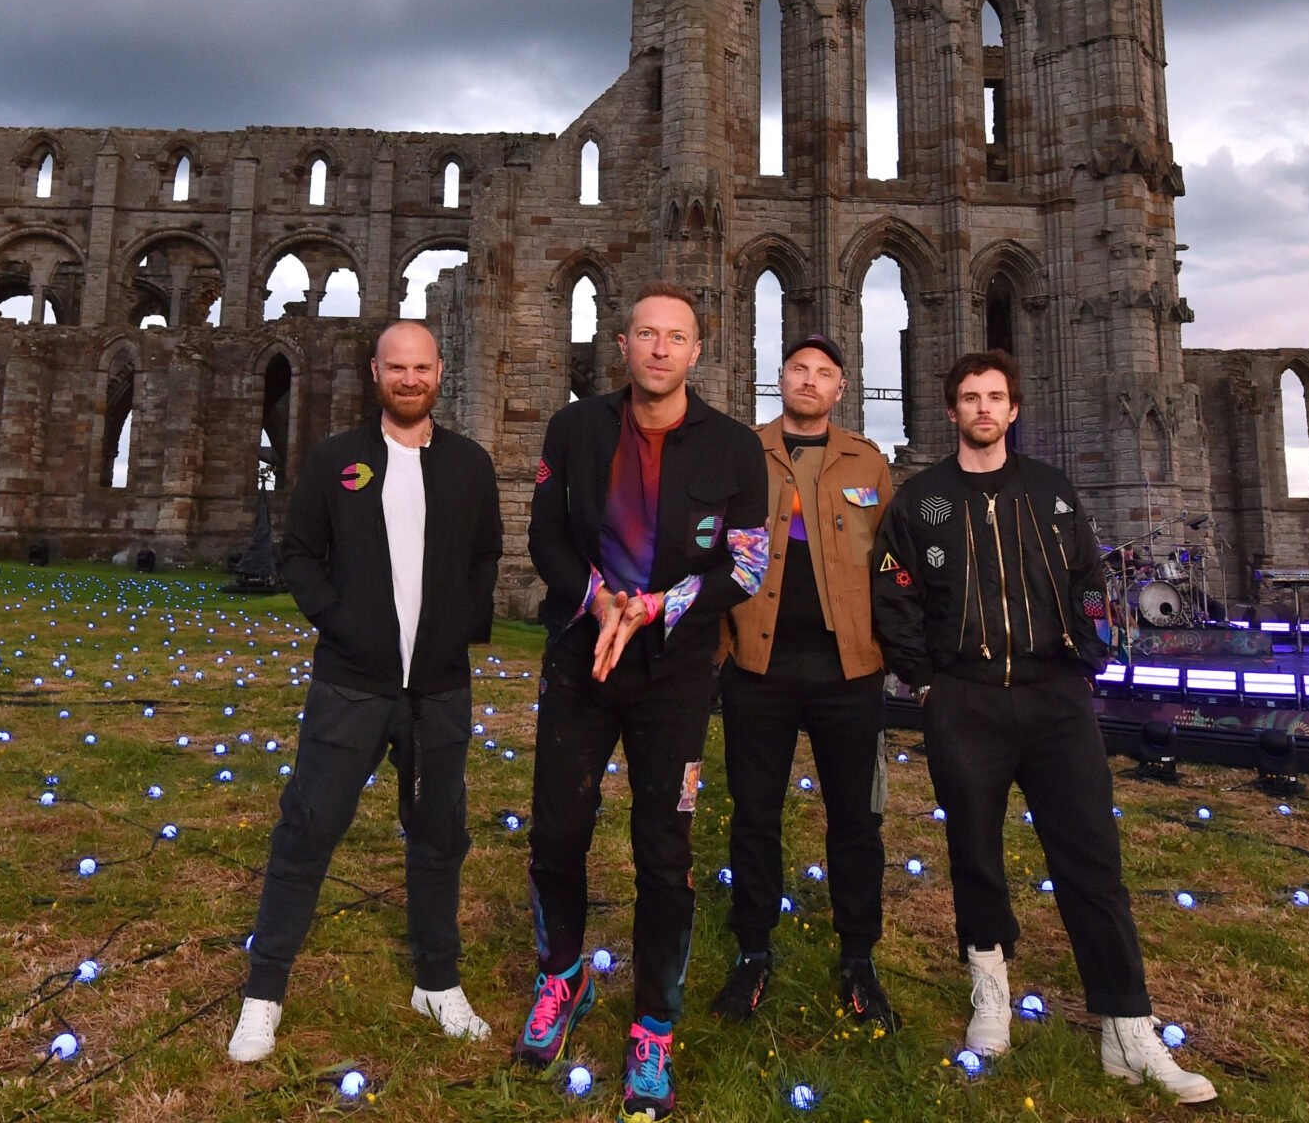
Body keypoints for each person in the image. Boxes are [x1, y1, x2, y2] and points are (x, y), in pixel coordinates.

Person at [871, 350, 1215, 1105]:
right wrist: (926, 682)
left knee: (1092, 858)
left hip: (1055, 700)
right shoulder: (922, 501)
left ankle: (1126, 1026)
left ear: (1013, 408)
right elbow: (892, 592)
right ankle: (990, 994)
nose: (983, 409)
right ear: (952, 411)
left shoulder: (1052, 492)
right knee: (975, 854)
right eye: (969, 398)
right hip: (966, 700)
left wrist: (1085, 658)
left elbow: (1089, 581)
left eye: (995, 397)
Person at [521, 284, 769, 1122]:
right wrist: (598, 599)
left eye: (678, 337)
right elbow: (544, 534)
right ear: (621, 344)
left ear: (698, 352)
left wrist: (657, 606)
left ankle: (653, 1025)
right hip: (583, 661)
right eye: (646, 335)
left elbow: (747, 565)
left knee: (664, 849)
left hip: (675, 674)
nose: (661, 350)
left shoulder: (734, 448)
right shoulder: (576, 428)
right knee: (557, 829)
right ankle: (563, 975)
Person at [228, 320, 503, 1062]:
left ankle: (436, 982)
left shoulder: (470, 464)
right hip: (351, 684)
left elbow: (485, 556)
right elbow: (300, 555)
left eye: (421, 367)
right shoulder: (336, 460)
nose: (409, 379)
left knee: (440, 834)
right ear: (374, 373)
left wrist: (457, 631)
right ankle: (265, 992)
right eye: (396, 368)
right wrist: (346, 625)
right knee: (308, 825)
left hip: (439, 689)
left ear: (439, 371)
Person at [710, 333, 900, 1031]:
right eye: (799, 370)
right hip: (758, 667)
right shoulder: (742, 453)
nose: (810, 381)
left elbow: (891, 564)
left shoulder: (868, 463)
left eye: (824, 373)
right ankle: (753, 951)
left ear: (840, 388)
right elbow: (713, 550)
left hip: (848, 671)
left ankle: (859, 958)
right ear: (781, 378)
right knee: (755, 816)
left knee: (856, 820)